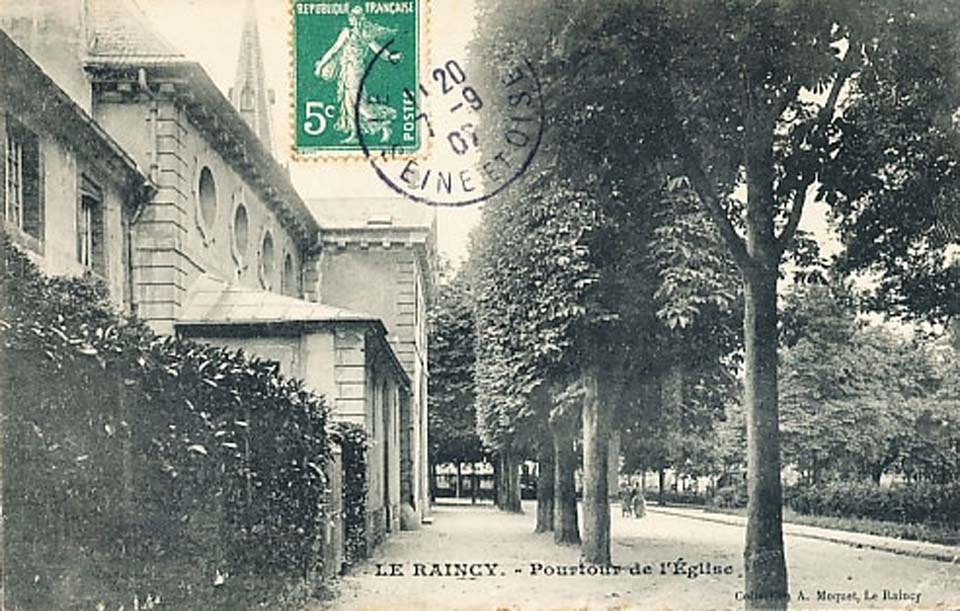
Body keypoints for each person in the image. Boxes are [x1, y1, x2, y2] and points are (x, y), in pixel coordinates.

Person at [313, 6, 401, 143]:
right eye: (353, 17)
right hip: (346, 72)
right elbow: (334, 50)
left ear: (359, 19)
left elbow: (377, 50)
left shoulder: (361, 34)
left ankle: (384, 123)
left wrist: (390, 57)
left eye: (356, 17)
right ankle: (355, 134)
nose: (354, 20)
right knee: (349, 104)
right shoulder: (351, 33)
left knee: (360, 105)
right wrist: (322, 65)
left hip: (356, 72)